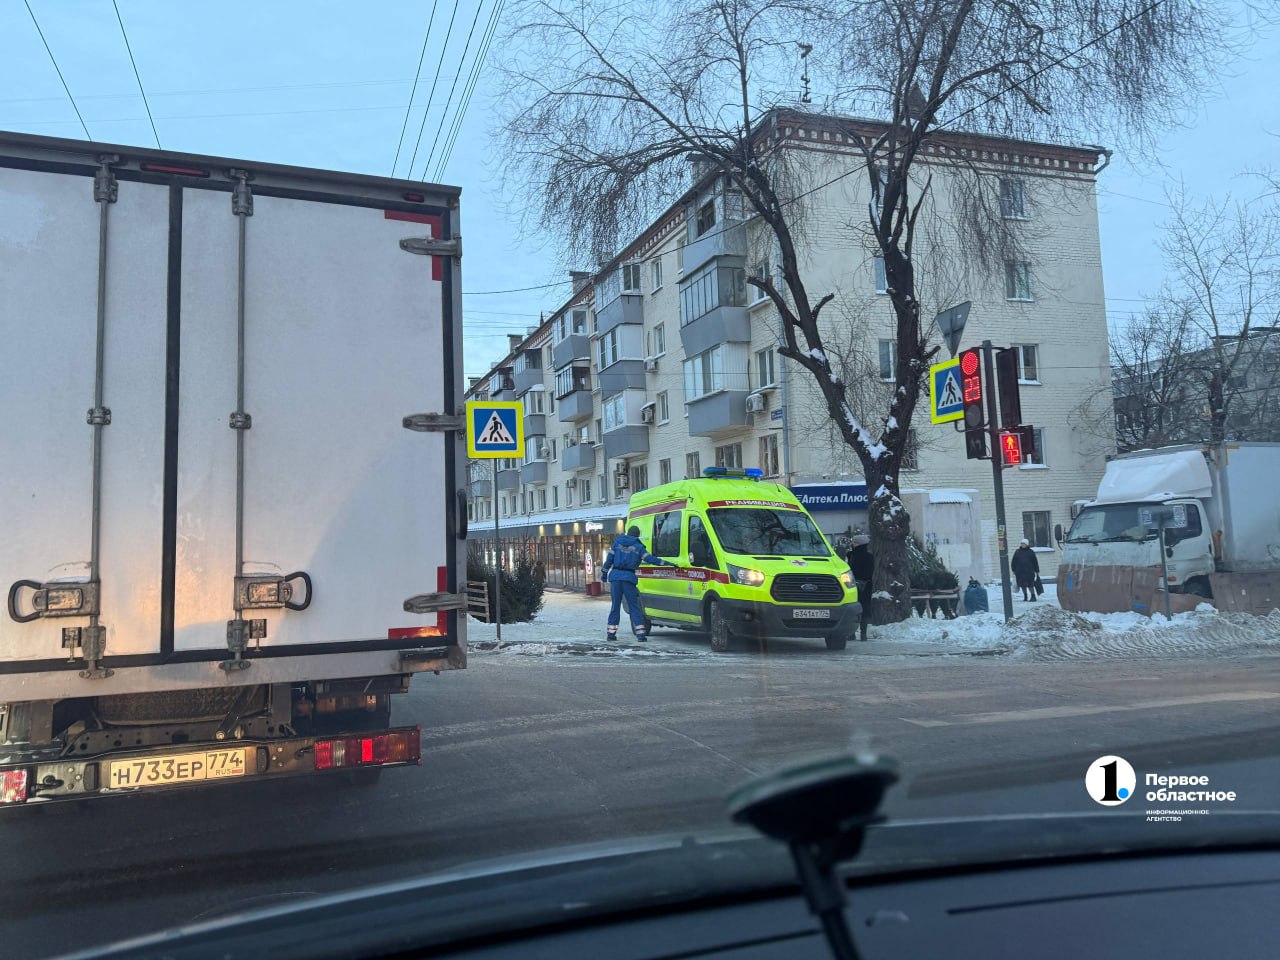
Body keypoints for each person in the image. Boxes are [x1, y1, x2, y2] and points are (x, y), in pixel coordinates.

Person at [601, 526, 678, 642]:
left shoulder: (617, 544)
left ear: (628, 533)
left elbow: (608, 561)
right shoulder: (638, 547)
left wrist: (604, 573)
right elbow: (651, 559)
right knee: (634, 607)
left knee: (615, 607)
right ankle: (641, 635)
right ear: (637, 535)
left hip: (615, 578)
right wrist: (667, 563)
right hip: (628, 578)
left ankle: (611, 634)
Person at [846, 534, 874, 641]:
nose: (852, 544)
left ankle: (851, 633)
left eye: (854, 542)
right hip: (866, 585)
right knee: (865, 608)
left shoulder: (851, 555)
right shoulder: (869, 556)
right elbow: (870, 572)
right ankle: (863, 633)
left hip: (853, 585)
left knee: (853, 608)